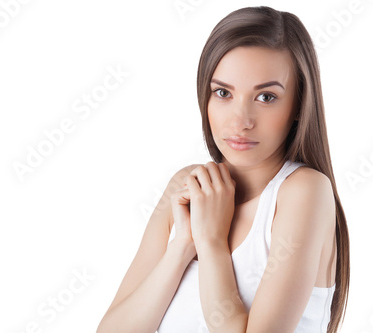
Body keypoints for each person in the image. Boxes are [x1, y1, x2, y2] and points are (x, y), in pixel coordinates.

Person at [97, 5, 350, 333]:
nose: (240, 121)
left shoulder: (304, 192)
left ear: (300, 104)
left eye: (266, 97)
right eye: (223, 93)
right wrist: (184, 245)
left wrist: (212, 241)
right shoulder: (187, 185)